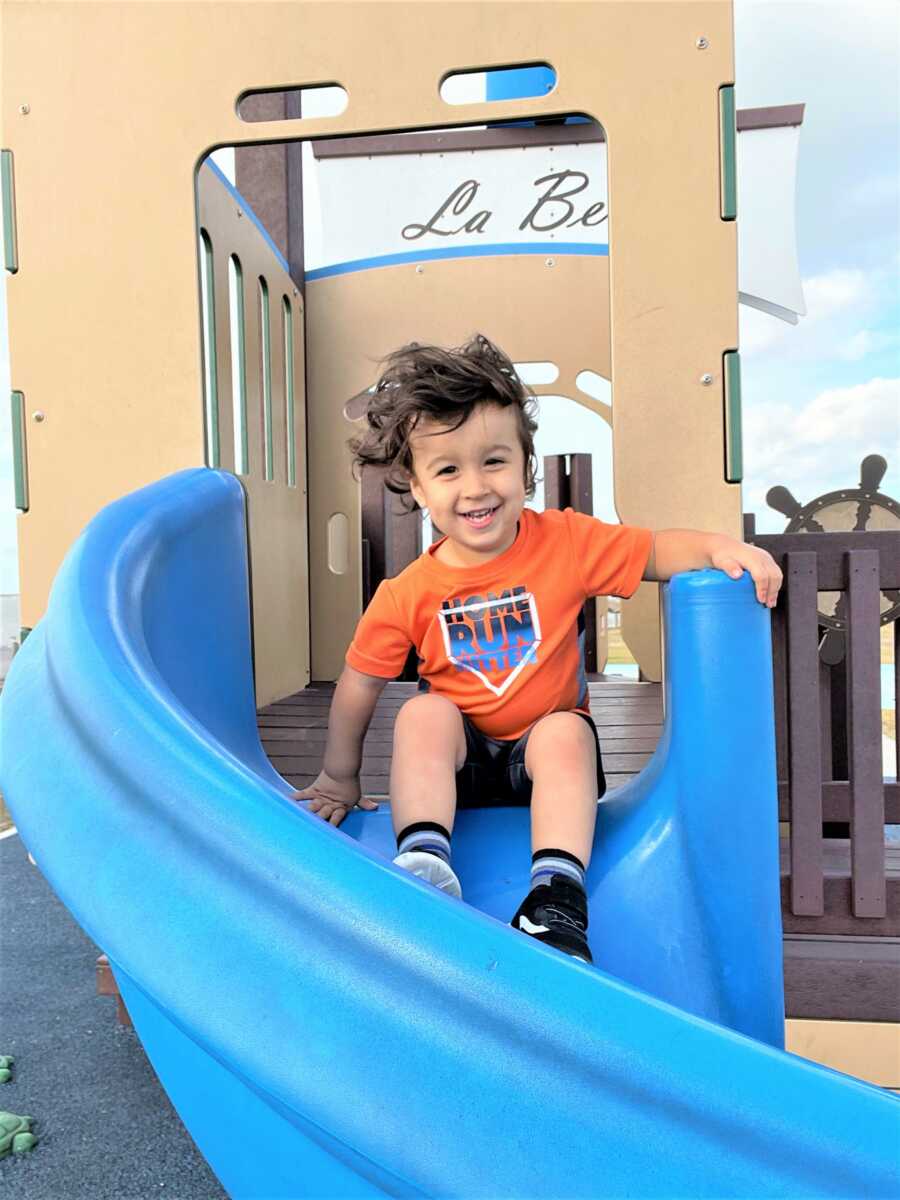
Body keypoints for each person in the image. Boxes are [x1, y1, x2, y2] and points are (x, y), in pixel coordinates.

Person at [294, 334, 782, 963]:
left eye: (493, 461)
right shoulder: (407, 592)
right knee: (423, 713)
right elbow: (359, 683)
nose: (475, 486)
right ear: (417, 489)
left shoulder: (565, 544)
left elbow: (655, 551)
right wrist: (339, 774)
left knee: (566, 731)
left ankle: (556, 894)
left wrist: (719, 548)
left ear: (525, 468)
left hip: (546, 765)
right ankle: (422, 861)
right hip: (461, 765)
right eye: (447, 470)